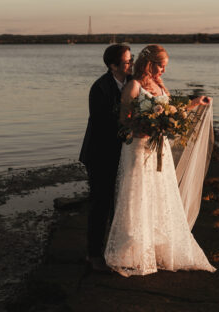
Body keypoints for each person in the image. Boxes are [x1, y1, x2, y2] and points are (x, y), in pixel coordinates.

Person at [104, 44, 216, 277]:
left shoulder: (159, 85)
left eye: (165, 67)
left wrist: (196, 102)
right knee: (138, 194)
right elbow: (123, 121)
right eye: (161, 66)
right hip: (138, 148)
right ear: (149, 64)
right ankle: (133, 251)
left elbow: (172, 108)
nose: (164, 71)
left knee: (159, 194)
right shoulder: (133, 86)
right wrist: (142, 127)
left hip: (159, 148)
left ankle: (156, 247)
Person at [79, 44, 134, 271]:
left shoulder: (132, 83)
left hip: (123, 154)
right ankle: (93, 255)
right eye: (127, 61)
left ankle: (114, 251)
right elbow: (103, 125)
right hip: (100, 154)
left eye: (132, 59)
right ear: (113, 65)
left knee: (120, 205)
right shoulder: (100, 88)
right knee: (100, 204)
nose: (131, 64)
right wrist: (132, 126)